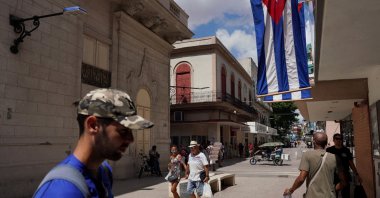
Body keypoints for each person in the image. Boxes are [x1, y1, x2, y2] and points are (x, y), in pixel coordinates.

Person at [33, 88, 154, 198]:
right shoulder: (63, 191)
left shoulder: (104, 172)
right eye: (123, 131)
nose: (131, 139)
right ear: (93, 125)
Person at [283, 132, 346, 198]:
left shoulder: (307, 155)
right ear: (326, 142)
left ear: (314, 142)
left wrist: (291, 190)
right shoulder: (335, 157)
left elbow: (301, 179)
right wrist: (332, 190)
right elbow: (344, 182)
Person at [326, 133, 362, 198]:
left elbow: (351, 163)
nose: (339, 140)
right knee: (333, 195)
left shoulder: (346, 150)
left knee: (346, 194)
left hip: (345, 176)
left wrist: (356, 174)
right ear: (333, 140)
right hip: (333, 177)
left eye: (340, 139)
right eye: (337, 139)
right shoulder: (329, 150)